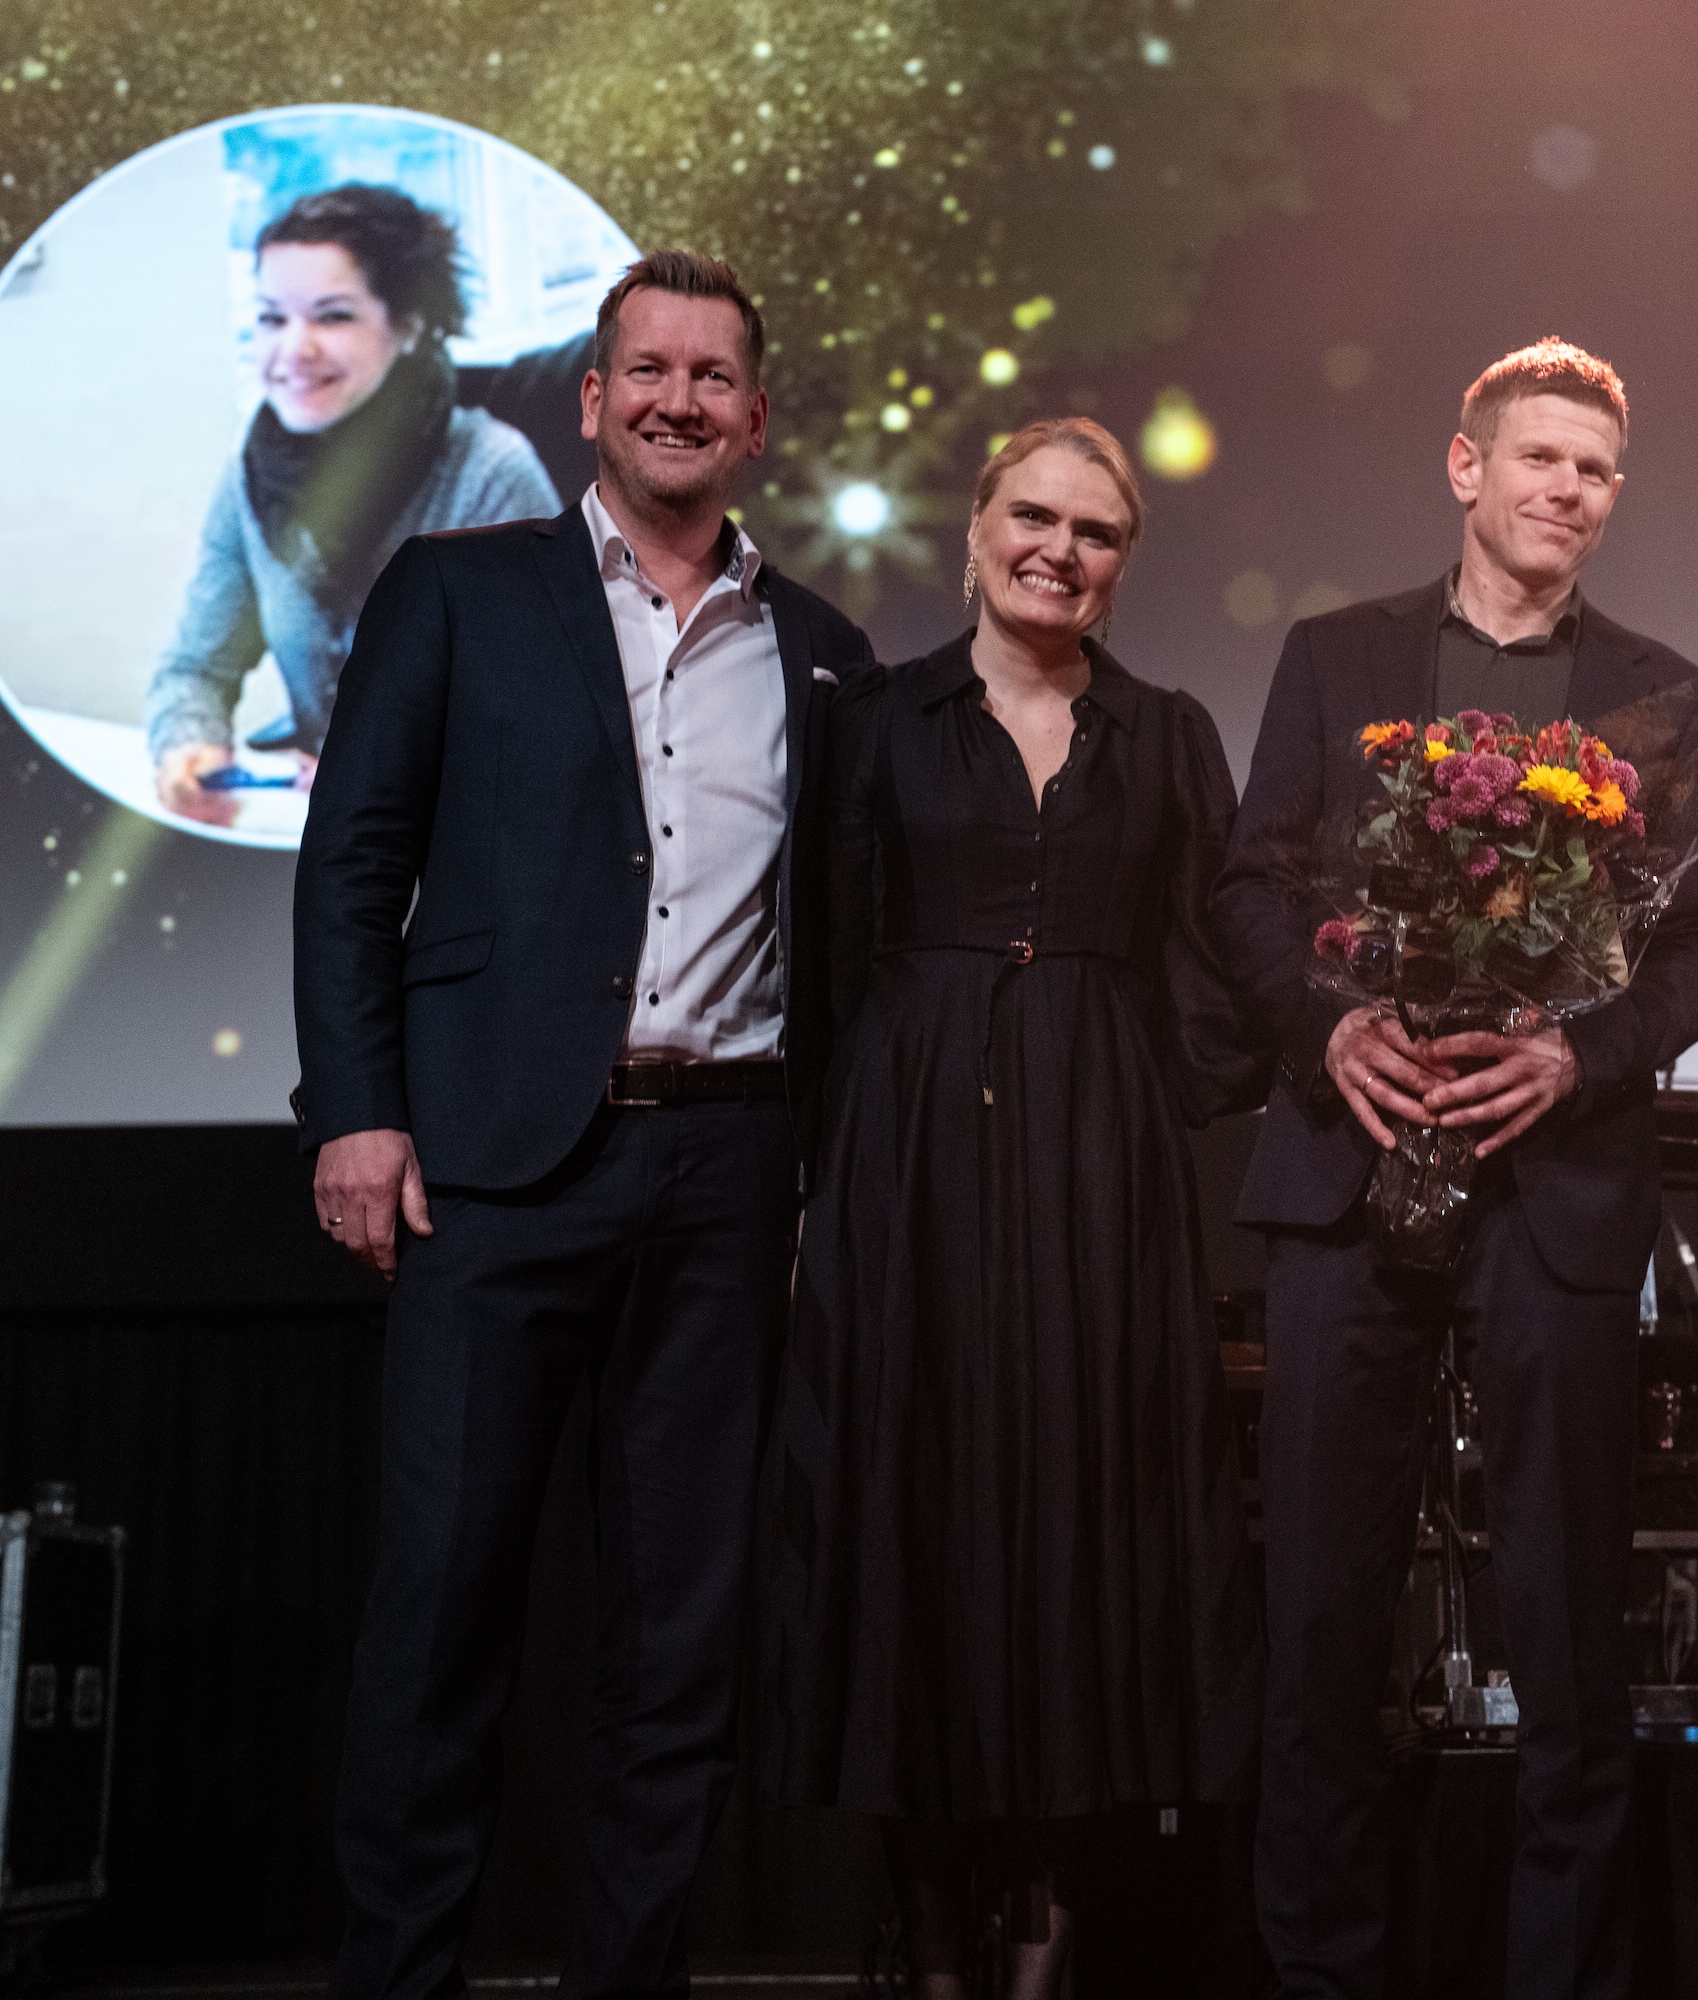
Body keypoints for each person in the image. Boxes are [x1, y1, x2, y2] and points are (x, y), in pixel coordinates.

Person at [293, 249, 875, 1999]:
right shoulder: (456, 592)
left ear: (755, 419)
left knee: (678, 1648)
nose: (681, 399)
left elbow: (843, 943)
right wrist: (357, 1115)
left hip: (727, 1180)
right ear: (595, 399)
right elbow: (352, 868)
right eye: (652, 370)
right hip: (490, 1175)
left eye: (714, 376)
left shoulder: (824, 654)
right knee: (441, 1622)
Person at [1215, 338, 1698, 2000]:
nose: (1566, 490)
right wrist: (1334, 1030)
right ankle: (1325, 1974)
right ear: (1467, 467)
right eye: (1538, 458)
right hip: (1353, 1160)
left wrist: (1579, 1053)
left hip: (1554, 1178)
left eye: (1594, 471)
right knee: (1321, 1620)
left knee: (1571, 1630)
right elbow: (1248, 890)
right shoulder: (1336, 655)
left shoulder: (1670, 698)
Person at [756, 417, 1267, 2000]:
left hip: (1103, 1160)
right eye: (1033, 517)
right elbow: (824, 961)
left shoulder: (1169, 734)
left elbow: (1212, 971)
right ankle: (926, 1942)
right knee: (916, 1516)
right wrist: (823, 1190)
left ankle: (1048, 1942)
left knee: (1081, 1525)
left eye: (1096, 531)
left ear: (1125, 563)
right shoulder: (872, 718)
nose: (1061, 549)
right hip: (906, 1157)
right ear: (974, 532)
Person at [149, 184, 558, 822]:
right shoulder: (250, 478)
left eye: (333, 316)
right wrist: (189, 743)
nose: (293, 350)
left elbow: (545, 716)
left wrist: (393, 777)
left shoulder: (490, 474)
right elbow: (195, 669)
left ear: (408, 326)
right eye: (271, 318)